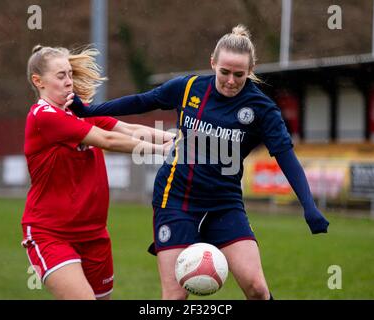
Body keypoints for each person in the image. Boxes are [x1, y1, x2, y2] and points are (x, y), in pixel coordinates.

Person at [69, 25, 330, 300]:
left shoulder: (262, 110)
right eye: (224, 72)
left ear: (251, 69)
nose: (231, 81)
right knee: (175, 296)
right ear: (212, 63)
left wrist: (309, 206)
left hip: (224, 203)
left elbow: (287, 159)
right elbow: (141, 101)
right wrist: (89, 111)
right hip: (176, 200)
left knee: (257, 288)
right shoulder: (189, 87)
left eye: (239, 75)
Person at [21, 45, 174, 300]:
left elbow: (126, 129)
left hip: (95, 235)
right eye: (61, 76)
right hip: (50, 233)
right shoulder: (43, 116)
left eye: (70, 74)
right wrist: (165, 152)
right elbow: (108, 139)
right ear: (39, 81)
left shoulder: (79, 111)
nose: (69, 81)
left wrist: (178, 141)